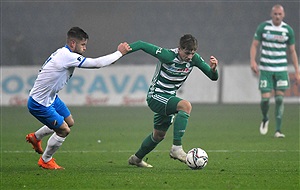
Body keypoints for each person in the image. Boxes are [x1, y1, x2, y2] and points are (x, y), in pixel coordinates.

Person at [26, 27, 131, 169]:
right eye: (83, 45)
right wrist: (119, 52)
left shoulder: (64, 53)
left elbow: (100, 63)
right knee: (63, 130)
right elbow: (97, 64)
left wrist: (117, 56)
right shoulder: (66, 56)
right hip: (39, 103)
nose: (85, 48)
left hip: (51, 97)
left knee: (69, 122)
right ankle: (45, 160)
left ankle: (35, 137)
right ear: (73, 43)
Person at [126, 34, 219, 167]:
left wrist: (214, 69)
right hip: (156, 95)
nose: (190, 56)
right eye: (187, 53)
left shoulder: (194, 60)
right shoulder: (168, 56)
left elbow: (213, 77)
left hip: (168, 98)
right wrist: (121, 52)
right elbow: (141, 44)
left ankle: (136, 159)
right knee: (185, 106)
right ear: (179, 49)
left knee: (158, 135)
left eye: (193, 53)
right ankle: (176, 148)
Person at [250, 4, 299, 138]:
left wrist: (297, 70)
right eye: (275, 14)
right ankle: (265, 118)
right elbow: (254, 45)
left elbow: (292, 51)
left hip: (281, 69)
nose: (277, 16)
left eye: (279, 14)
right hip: (265, 69)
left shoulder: (287, 30)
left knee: (279, 99)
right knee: (265, 100)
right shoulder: (263, 27)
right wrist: (253, 61)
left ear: (283, 15)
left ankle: (278, 130)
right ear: (271, 15)